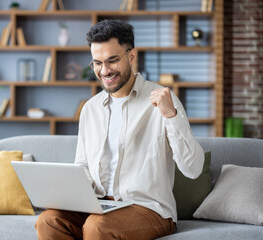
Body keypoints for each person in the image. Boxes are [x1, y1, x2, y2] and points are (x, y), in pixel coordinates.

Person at [36, 19, 204, 240]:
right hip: (100, 206)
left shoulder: (163, 100)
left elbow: (193, 169)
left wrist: (171, 116)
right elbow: (84, 165)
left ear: (131, 56)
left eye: (112, 61)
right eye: (97, 63)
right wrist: (69, 194)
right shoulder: (91, 109)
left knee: (97, 227)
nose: (104, 71)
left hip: (149, 209)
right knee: (48, 220)